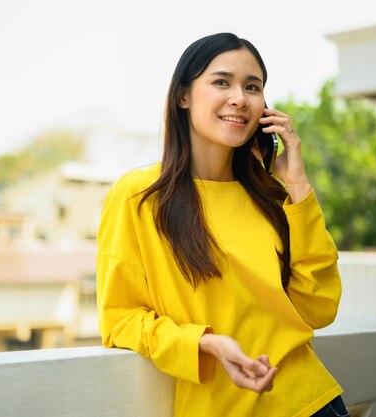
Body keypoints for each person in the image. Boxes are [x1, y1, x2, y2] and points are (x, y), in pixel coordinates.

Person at [96, 33, 349, 417]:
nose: (240, 98)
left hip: (310, 403)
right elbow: (120, 321)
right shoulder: (139, 195)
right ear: (183, 96)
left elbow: (318, 308)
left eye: (253, 87)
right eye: (221, 82)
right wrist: (204, 344)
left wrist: (297, 185)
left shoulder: (272, 198)